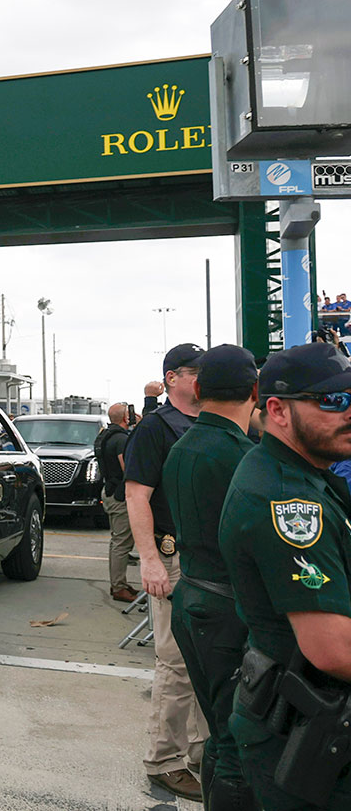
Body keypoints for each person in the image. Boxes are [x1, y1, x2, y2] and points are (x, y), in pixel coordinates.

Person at [220, 342, 351, 809]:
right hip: (306, 728)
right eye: (332, 400)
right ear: (276, 410)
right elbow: (333, 650)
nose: (348, 410)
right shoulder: (288, 503)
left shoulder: (304, 473)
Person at [161, 344, 258, 810]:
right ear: (255, 391)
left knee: (221, 732)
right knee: (240, 737)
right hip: (228, 610)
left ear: (198, 388)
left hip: (193, 598)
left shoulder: (184, 445)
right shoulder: (242, 455)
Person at [124, 342, 207, 801]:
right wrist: (150, 560)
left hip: (210, 558)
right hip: (172, 556)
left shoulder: (214, 422)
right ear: (172, 377)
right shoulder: (155, 428)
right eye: (195, 371)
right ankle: (164, 761)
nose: (203, 378)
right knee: (175, 663)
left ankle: (198, 754)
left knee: (208, 662)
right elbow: (137, 495)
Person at [99, 402, 137, 603]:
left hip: (110, 491)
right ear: (125, 418)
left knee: (118, 541)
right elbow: (127, 469)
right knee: (121, 543)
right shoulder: (121, 439)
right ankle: (118, 587)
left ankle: (119, 583)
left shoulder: (105, 435)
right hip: (120, 495)